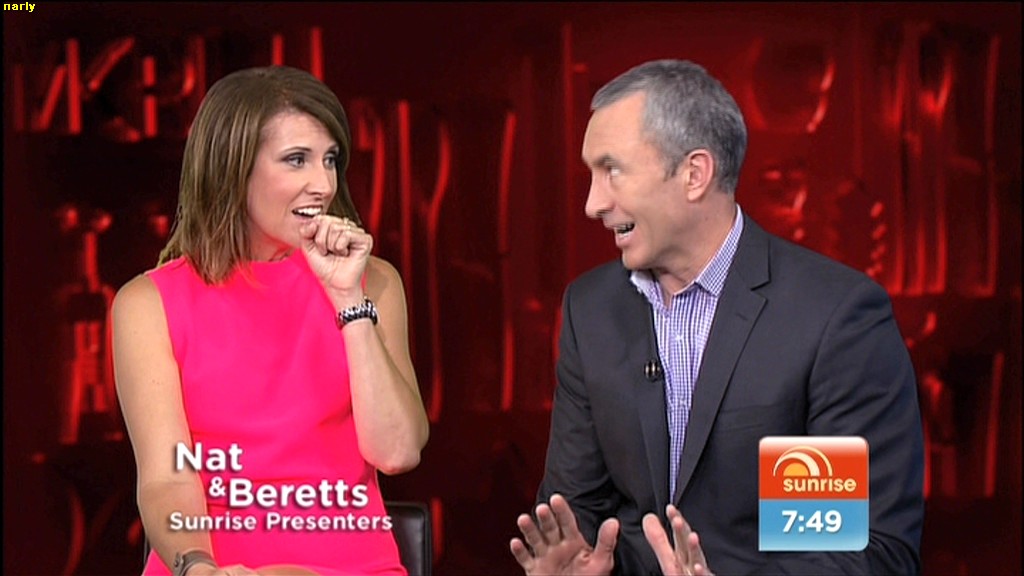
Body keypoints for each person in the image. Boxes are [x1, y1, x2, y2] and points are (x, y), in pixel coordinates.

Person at [510, 59, 924, 575]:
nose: (593, 204)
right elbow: (579, 515)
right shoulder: (591, 309)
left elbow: (865, 552)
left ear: (694, 174)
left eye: (612, 171)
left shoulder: (830, 318)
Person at [113, 66, 429, 576]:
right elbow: (167, 479)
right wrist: (199, 568)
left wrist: (348, 299)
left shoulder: (375, 282)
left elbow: (397, 451)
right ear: (233, 169)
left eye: (330, 160)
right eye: (296, 160)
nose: (323, 184)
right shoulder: (147, 304)